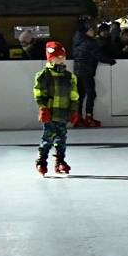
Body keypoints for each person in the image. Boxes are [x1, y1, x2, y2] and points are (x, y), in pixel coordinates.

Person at [33, 41, 80, 176]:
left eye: (63, 57)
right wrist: (42, 108)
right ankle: (41, 161)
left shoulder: (69, 76)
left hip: (63, 112)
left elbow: (74, 95)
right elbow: (38, 93)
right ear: (50, 58)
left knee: (61, 138)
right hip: (50, 113)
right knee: (47, 138)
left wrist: (73, 110)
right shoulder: (43, 75)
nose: (61, 59)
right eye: (58, 57)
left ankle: (60, 161)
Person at [72, 20, 116, 127]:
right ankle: (89, 117)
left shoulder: (77, 41)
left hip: (78, 71)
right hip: (87, 71)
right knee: (91, 94)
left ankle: (78, 118)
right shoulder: (90, 42)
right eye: (91, 30)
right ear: (86, 32)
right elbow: (98, 56)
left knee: (81, 95)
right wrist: (111, 61)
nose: (93, 31)